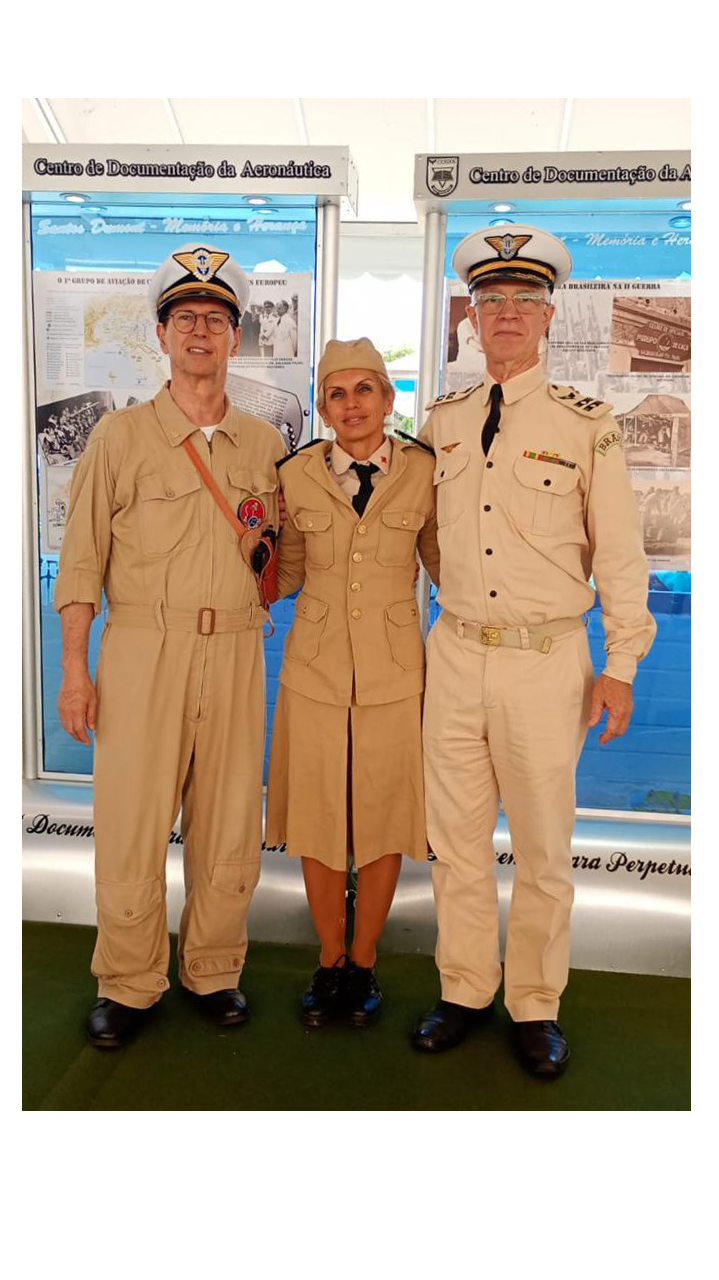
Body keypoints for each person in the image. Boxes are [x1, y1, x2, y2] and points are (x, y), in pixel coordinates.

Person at [413, 226, 656, 1075]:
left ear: (548, 316)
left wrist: (620, 666)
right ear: (470, 318)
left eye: (523, 300)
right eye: (491, 301)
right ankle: (463, 989)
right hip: (455, 654)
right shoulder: (442, 421)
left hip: (545, 661)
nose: (507, 314)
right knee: (455, 842)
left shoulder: (586, 425)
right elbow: (428, 541)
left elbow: (619, 554)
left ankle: (534, 1003)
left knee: (544, 849)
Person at [55, 243, 285, 1048]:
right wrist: (75, 670)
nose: (199, 332)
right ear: (160, 335)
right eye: (184, 318)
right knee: (131, 821)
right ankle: (128, 980)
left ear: (235, 336)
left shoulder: (264, 445)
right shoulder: (118, 438)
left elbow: (279, 561)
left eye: (215, 320)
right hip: (143, 649)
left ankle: (213, 969)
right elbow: (81, 562)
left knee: (228, 820)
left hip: (237, 651)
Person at [266, 338, 440, 1027]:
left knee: (383, 817)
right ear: (322, 407)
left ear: (389, 398)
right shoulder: (295, 474)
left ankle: (364, 960)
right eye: (335, 394)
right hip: (314, 671)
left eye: (364, 389)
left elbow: (447, 565)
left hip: (395, 673)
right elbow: (286, 570)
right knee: (317, 818)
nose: (351, 404)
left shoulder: (424, 471)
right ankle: (330, 958)